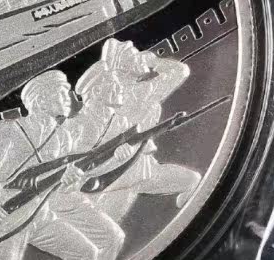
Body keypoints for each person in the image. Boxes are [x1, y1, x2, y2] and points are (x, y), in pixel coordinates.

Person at [0, 69, 125, 260]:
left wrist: (73, 180)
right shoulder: (8, 130)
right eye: (61, 93)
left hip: (40, 212)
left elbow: (61, 186)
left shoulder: (63, 137)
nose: (69, 98)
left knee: (85, 253)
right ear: (41, 101)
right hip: (6, 213)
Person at [66, 38, 201, 228]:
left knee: (192, 180)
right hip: (119, 175)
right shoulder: (133, 92)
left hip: (141, 165)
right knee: (106, 231)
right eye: (133, 56)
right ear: (123, 64)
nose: (139, 57)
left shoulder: (130, 90)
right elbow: (179, 71)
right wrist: (152, 61)